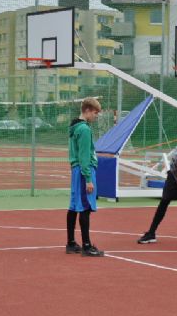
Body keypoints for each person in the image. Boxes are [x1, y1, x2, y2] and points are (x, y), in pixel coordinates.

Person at [66, 97, 104, 257]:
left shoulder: (75, 127)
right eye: (95, 113)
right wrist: (88, 178)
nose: (96, 117)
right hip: (83, 171)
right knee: (85, 207)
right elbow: (84, 156)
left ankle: (71, 243)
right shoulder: (84, 130)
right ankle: (87, 246)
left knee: (74, 206)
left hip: (76, 171)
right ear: (87, 110)